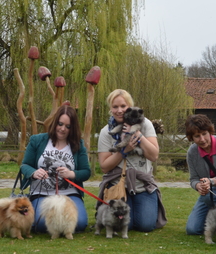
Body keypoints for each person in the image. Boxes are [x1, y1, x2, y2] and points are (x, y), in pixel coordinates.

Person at [97, 89, 166, 232]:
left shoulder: (145, 124)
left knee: (145, 225)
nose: (119, 110)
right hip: (118, 185)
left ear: (130, 106)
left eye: (123, 106)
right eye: (115, 107)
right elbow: (104, 167)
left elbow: (154, 156)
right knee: (125, 224)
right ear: (110, 108)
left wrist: (138, 135)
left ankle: (140, 208)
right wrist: (124, 151)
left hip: (142, 185)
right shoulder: (106, 132)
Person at [20, 104, 91, 233]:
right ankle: (58, 225)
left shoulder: (78, 144)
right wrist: (34, 172)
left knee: (79, 224)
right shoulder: (37, 140)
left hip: (69, 194)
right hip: (41, 193)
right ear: (55, 122)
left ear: (73, 128)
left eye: (68, 126)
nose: (63, 129)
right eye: (60, 124)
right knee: (41, 225)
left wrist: (71, 174)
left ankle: (61, 224)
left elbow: (86, 172)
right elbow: (25, 165)